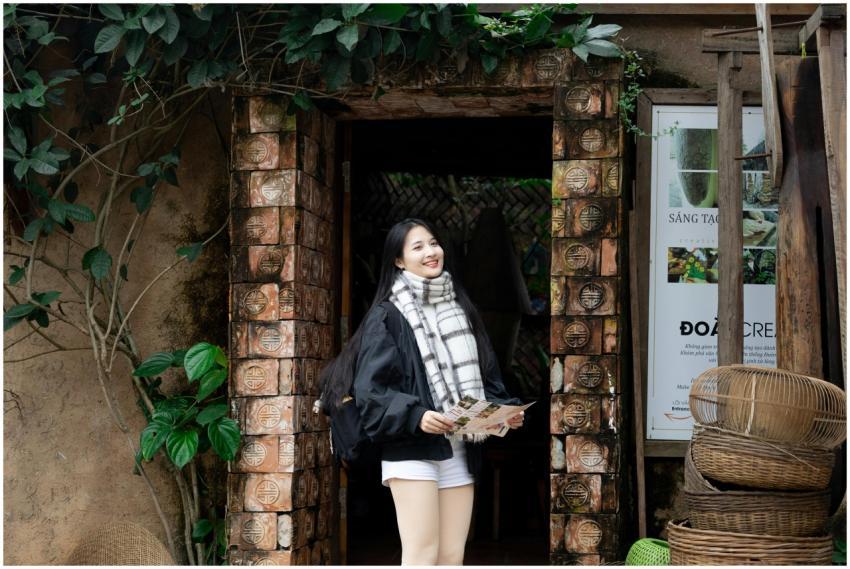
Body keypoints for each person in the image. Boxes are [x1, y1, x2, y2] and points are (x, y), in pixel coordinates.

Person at [323, 218, 524, 565]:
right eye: (418, 247)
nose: (431, 252)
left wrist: (504, 411)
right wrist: (416, 415)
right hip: (411, 450)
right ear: (399, 261)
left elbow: (489, 375)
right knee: (422, 556)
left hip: (460, 448)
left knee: (451, 557)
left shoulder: (462, 310)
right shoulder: (388, 316)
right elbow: (371, 391)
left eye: (433, 243)